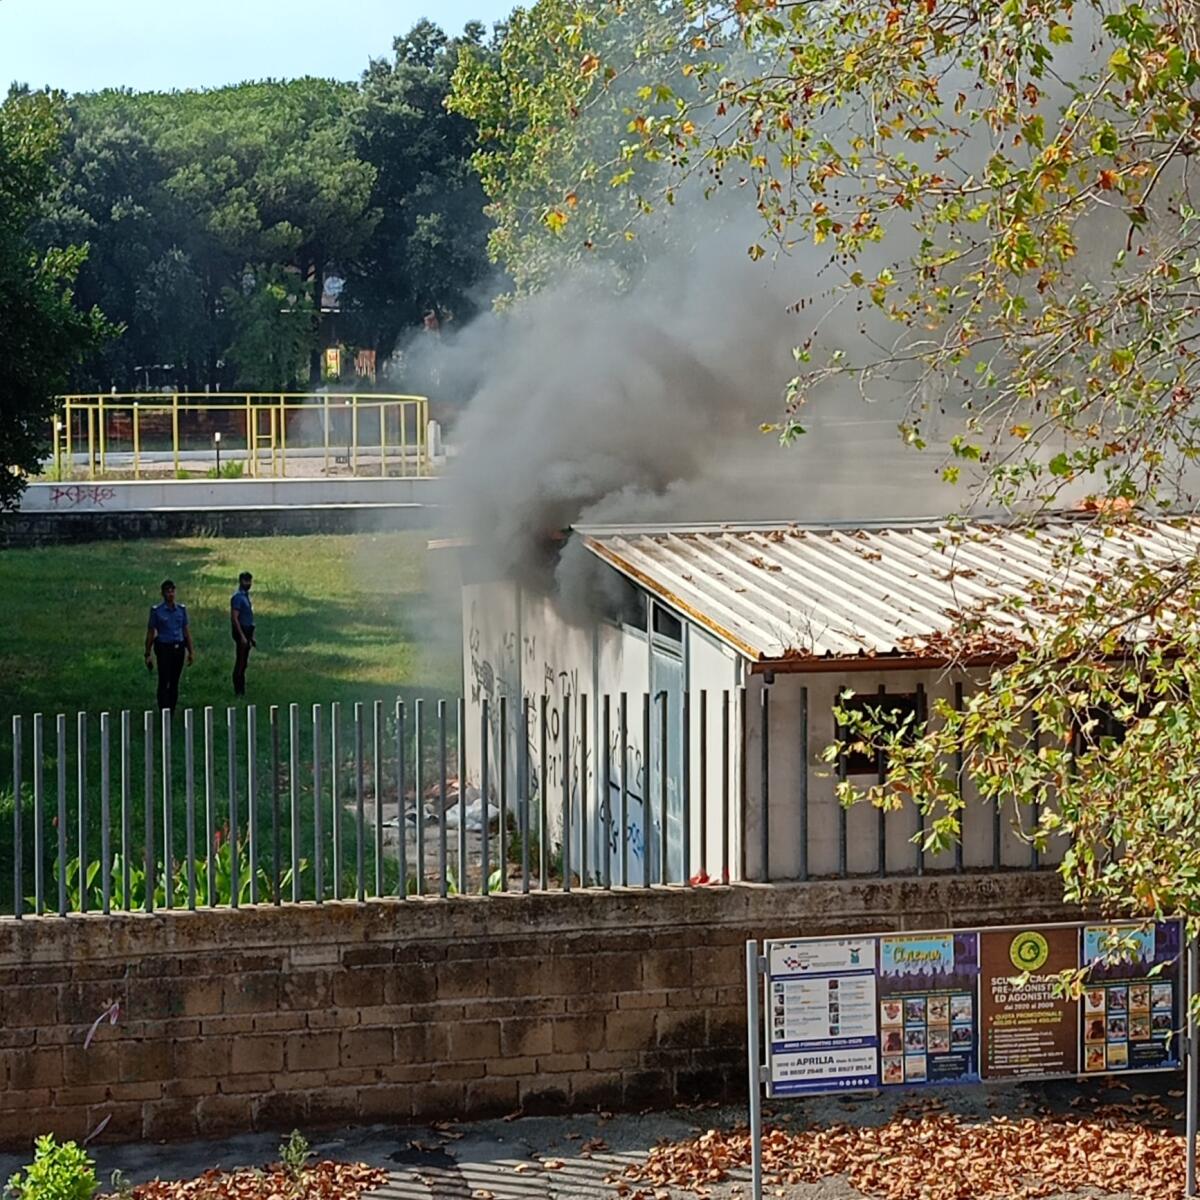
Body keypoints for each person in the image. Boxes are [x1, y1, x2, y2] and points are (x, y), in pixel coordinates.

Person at [144, 579, 193, 714]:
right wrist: (147, 653)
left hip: (178, 647)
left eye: (172, 591)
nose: (170, 594)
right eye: (167, 591)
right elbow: (150, 632)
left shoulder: (181, 610)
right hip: (164, 647)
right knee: (164, 679)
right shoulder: (157, 611)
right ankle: (163, 708)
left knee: (175, 680)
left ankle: (171, 709)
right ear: (163, 594)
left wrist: (190, 651)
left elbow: (186, 631)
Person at [230, 571, 256, 696]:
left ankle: (242, 690)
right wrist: (242, 636)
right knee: (240, 662)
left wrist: (252, 637)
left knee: (244, 662)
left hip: (248, 632)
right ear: (241, 581)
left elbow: (249, 617)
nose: (248, 583)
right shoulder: (238, 597)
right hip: (242, 632)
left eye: (250, 581)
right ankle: (238, 690)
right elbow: (235, 618)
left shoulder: (246, 596)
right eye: (246, 581)